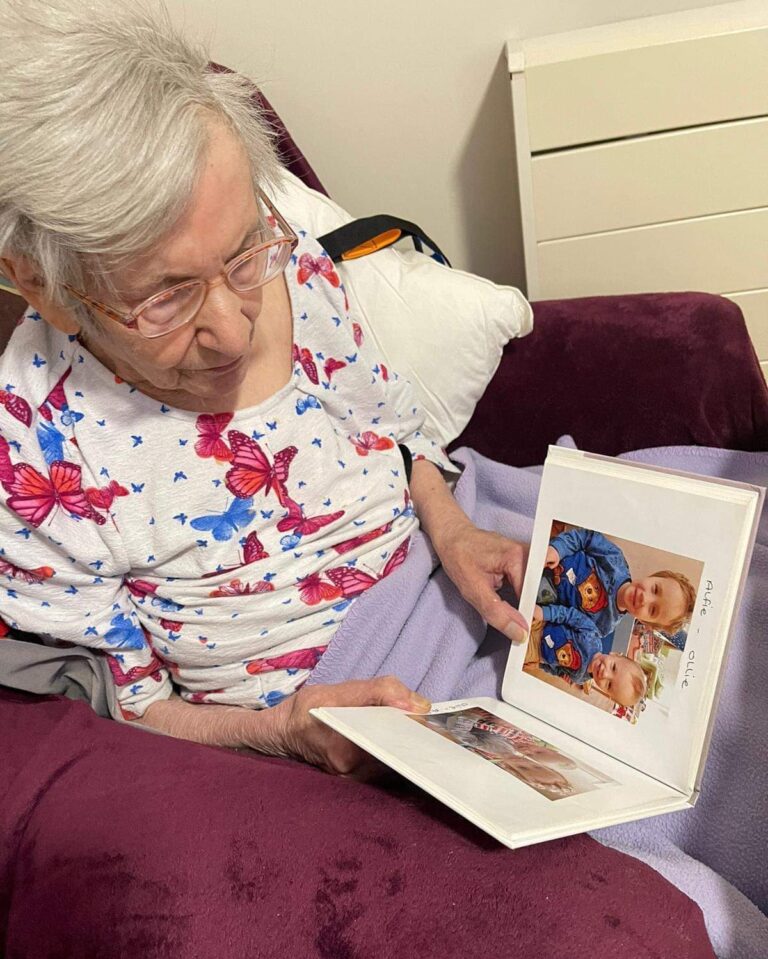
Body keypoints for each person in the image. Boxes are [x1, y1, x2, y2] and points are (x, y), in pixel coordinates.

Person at [0, 0, 527, 774]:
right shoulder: (35, 447)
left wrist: (454, 533)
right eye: (166, 298)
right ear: (41, 288)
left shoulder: (290, 259)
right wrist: (280, 730)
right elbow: (124, 706)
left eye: (244, 257)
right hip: (329, 707)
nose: (235, 330)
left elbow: (392, 435)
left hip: (443, 558)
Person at [539, 528, 696, 637]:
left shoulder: (603, 627)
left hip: (539, 596)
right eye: (655, 589)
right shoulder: (615, 561)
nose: (645, 599)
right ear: (653, 576)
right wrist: (558, 549)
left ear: (645, 622)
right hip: (545, 554)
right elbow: (586, 538)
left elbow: (563, 628)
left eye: (652, 610)